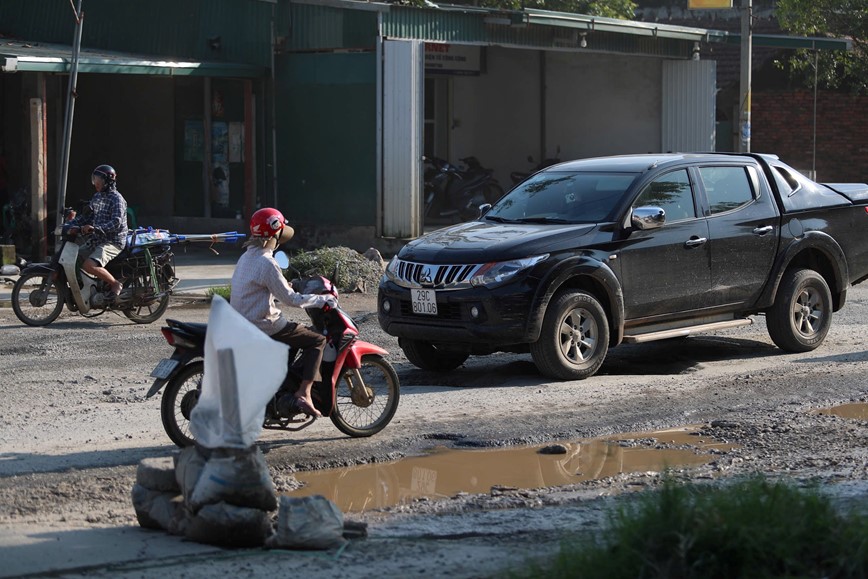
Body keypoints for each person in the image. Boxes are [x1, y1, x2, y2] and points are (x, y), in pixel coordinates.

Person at [230, 207, 334, 417]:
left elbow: (258, 289)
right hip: (263, 326)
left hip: (242, 324)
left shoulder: (246, 258)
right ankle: (304, 393)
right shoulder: (267, 262)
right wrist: (323, 299)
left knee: (291, 336)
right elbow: (292, 300)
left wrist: (285, 285)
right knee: (316, 340)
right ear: (274, 234)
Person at [65, 164, 128, 300]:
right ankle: (90, 287)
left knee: (89, 265)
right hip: (98, 239)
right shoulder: (97, 197)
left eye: (98, 180)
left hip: (113, 241)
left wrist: (96, 228)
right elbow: (87, 217)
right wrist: (68, 225)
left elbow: (116, 222)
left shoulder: (117, 199)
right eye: (94, 179)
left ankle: (115, 284)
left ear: (107, 181)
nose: (95, 183)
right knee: (73, 259)